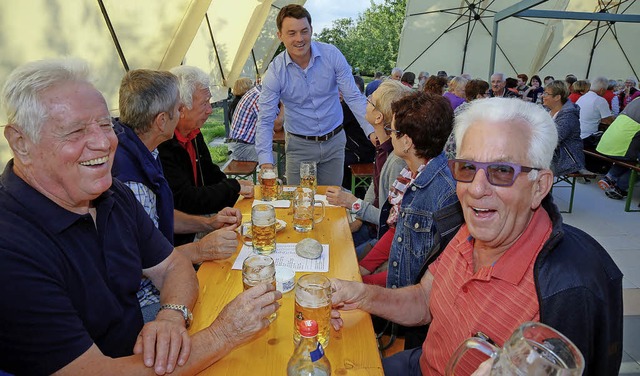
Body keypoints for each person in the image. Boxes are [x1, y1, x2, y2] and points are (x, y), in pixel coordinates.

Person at [0, 58, 282, 375]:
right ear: (20, 143)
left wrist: (171, 316)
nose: (104, 142)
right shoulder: (10, 247)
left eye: (106, 124)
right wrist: (223, 334)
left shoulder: (111, 195)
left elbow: (172, 265)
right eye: (76, 130)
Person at [329, 97, 623, 376]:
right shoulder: (467, 230)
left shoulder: (569, 289)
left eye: (502, 170)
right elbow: (424, 300)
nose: (476, 188)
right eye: (468, 167)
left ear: (540, 185)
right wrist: (362, 294)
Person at [111, 69, 243, 320]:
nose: (181, 111)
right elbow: (138, 265)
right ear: (162, 120)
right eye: (178, 107)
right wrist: (200, 250)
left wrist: (208, 223)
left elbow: (158, 217)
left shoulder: (143, 150)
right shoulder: (128, 179)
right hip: (141, 303)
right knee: (224, 304)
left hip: (162, 278)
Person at [254, 4, 375, 186]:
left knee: (331, 202)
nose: (299, 39)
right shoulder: (275, 71)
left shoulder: (332, 55)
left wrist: (372, 131)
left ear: (311, 30)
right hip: (299, 146)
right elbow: (265, 119)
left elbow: (353, 97)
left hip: (334, 141)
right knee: (299, 203)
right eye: (291, 33)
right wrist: (266, 163)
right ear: (280, 36)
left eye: (304, 31)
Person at [356, 92, 460, 289]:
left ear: (407, 142)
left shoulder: (440, 195)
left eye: (392, 131)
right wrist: (363, 268)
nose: (389, 135)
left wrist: (364, 283)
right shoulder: (413, 173)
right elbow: (398, 231)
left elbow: (412, 276)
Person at [158, 65, 254, 246]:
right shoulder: (163, 144)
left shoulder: (193, 132)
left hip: (200, 221)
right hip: (180, 239)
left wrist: (234, 189)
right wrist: (233, 188)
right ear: (181, 108)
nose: (210, 110)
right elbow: (185, 199)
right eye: (204, 103)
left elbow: (210, 173)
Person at [326, 80, 412, 257]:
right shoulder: (382, 146)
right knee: (326, 239)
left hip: (380, 238)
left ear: (379, 117)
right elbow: (375, 186)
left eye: (370, 101)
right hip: (369, 226)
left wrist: (353, 203)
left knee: (332, 254)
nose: (365, 102)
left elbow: (389, 219)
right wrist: (358, 220)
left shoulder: (396, 161)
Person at [596, 98, 640, 199]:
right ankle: (619, 188)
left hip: (606, 143)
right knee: (634, 159)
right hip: (622, 148)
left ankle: (609, 177)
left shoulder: (637, 99)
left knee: (630, 156)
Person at [228, 84, 284, 162]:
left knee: (287, 151)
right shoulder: (260, 97)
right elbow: (276, 126)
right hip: (241, 148)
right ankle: (269, 173)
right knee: (280, 159)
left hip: (250, 144)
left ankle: (267, 172)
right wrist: (284, 106)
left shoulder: (261, 92)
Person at [542, 80, 585, 175]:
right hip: (553, 155)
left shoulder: (569, 116)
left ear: (557, 97)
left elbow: (554, 139)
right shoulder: (547, 110)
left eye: (546, 94)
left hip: (567, 159)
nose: (543, 96)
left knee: (532, 167)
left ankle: (540, 189)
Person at [341, 75, 376, 191]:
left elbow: (334, 126)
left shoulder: (349, 107)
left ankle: (349, 190)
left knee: (336, 160)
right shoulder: (365, 105)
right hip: (367, 150)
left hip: (361, 153)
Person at [443, 79, 490, 158]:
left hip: (449, 154)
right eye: (487, 94)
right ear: (479, 96)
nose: (489, 97)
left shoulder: (461, 108)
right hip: (460, 156)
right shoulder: (476, 113)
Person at [576, 76, 615, 141]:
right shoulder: (600, 100)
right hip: (588, 137)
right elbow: (608, 121)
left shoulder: (582, 98)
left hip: (577, 134)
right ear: (602, 90)